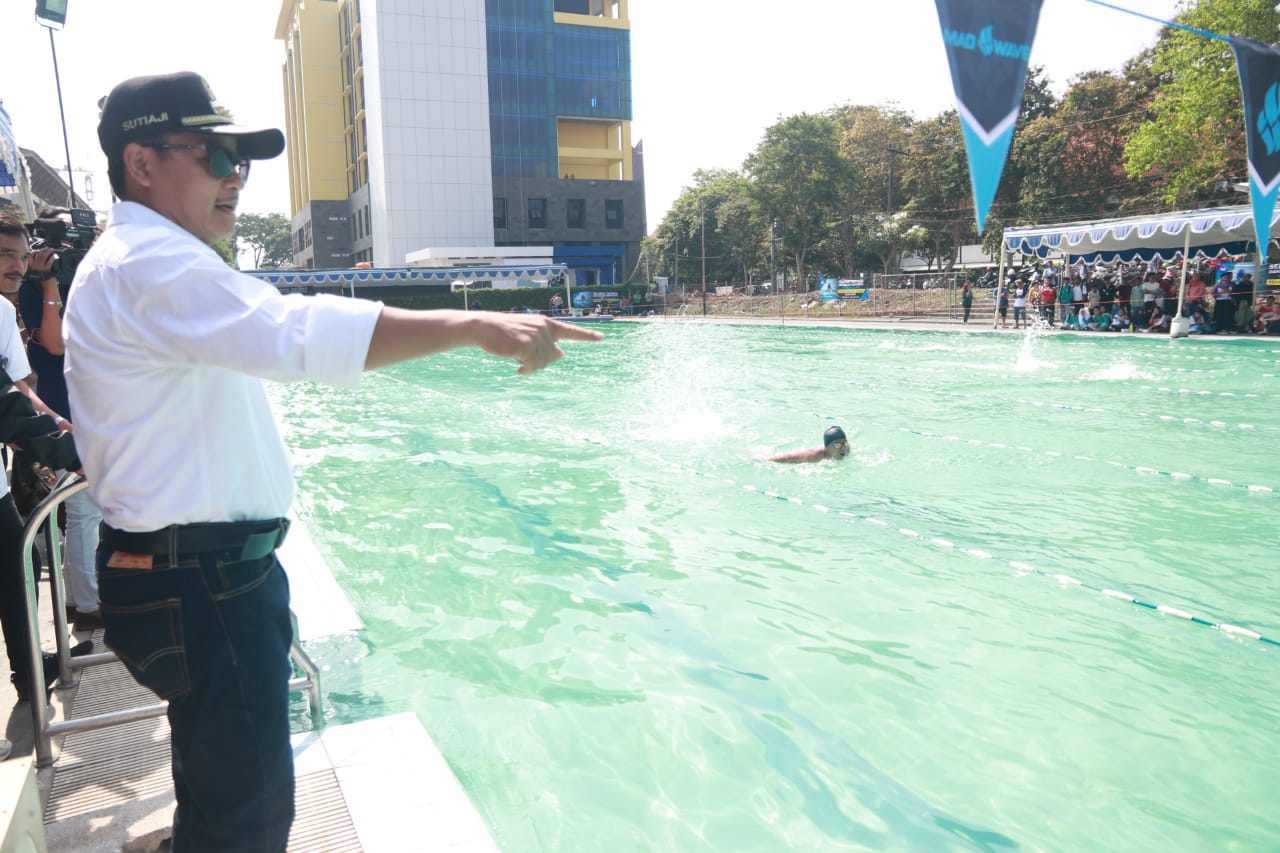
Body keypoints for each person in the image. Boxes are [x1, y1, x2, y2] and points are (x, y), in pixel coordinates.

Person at [63, 71, 603, 853]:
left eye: (241, 162)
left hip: (192, 576)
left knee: (219, 777)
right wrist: (472, 323)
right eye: (215, 156)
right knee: (248, 821)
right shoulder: (148, 265)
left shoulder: (149, 261)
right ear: (141, 163)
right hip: (201, 585)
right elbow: (292, 331)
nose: (235, 179)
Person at [0, 212, 92, 701]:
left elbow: (19, 388)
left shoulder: (1, 311)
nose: (16, 266)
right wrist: (72, 453)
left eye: (20, 255)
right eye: (4, 255)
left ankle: (30, 670)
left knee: (16, 572)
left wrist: (60, 424)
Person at [18, 208, 104, 629]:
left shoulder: (92, 280)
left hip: (93, 401)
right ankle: (87, 605)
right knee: (85, 508)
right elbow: (54, 344)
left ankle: (80, 598)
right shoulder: (36, 284)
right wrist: (50, 281)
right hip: (64, 405)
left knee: (90, 509)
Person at [769, 426, 851, 464]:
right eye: (837, 445)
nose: (843, 447)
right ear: (827, 447)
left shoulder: (847, 449)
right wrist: (766, 459)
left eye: (845, 443)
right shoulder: (815, 455)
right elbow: (788, 457)